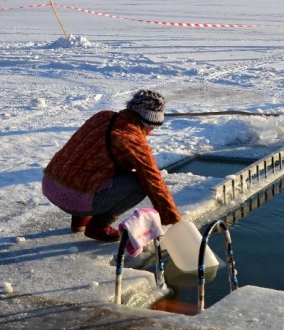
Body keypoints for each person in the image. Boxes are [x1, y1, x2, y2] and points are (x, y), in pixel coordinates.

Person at [42, 89, 182, 242]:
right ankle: (98, 226)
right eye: (153, 128)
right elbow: (152, 179)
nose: (151, 133)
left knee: (93, 163)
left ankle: (79, 220)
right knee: (140, 183)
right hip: (76, 200)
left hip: (51, 185)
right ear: (147, 122)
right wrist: (173, 219)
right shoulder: (132, 139)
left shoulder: (103, 116)